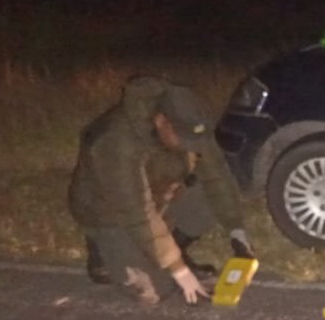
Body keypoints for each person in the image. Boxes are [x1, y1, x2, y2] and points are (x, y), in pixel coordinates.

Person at [68, 75, 255, 305]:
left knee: (207, 193)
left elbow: (217, 177)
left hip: (156, 195)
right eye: (183, 139)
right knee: (158, 290)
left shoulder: (190, 120)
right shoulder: (115, 141)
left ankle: (171, 248)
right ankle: (102, 252)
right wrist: (178, 269)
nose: (189, 145)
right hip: (110, 213)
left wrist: (237, 233)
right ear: (161, 121)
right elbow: (135, 211)